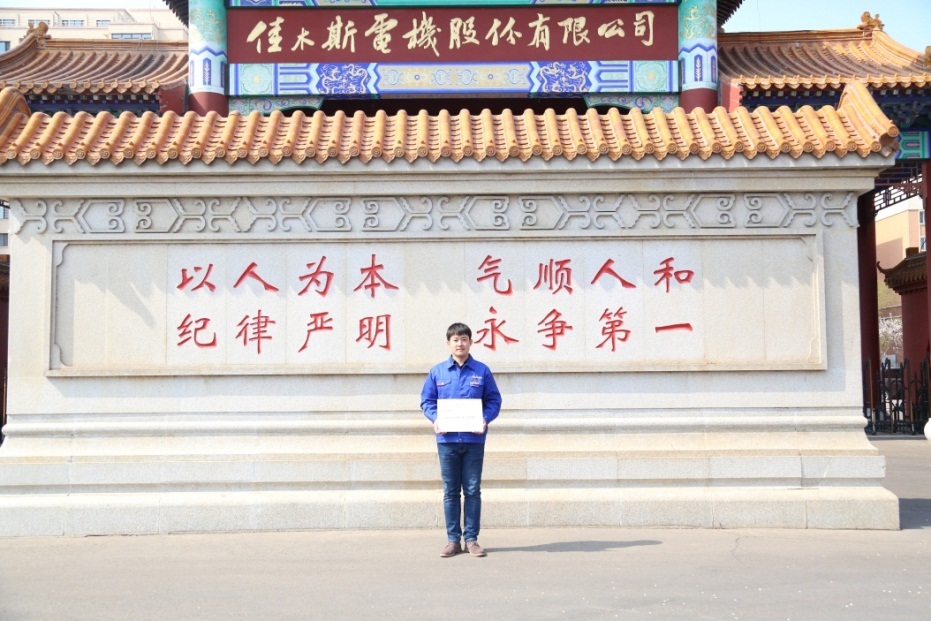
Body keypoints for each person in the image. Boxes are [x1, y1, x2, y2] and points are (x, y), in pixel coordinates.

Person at [420, 322, 502, 558]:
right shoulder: (437, 372)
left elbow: (494, 400)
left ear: (470, 342)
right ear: (448, 344)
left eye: (464, 339)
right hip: (447, 441)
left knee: (473, 490)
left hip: (474, 440)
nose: (460, 344)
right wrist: (435, 418)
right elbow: (427, 401)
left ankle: (472, 539)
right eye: (455, 340)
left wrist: (485, 419)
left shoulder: (482, 371)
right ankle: (453, 540)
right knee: (451, 491)